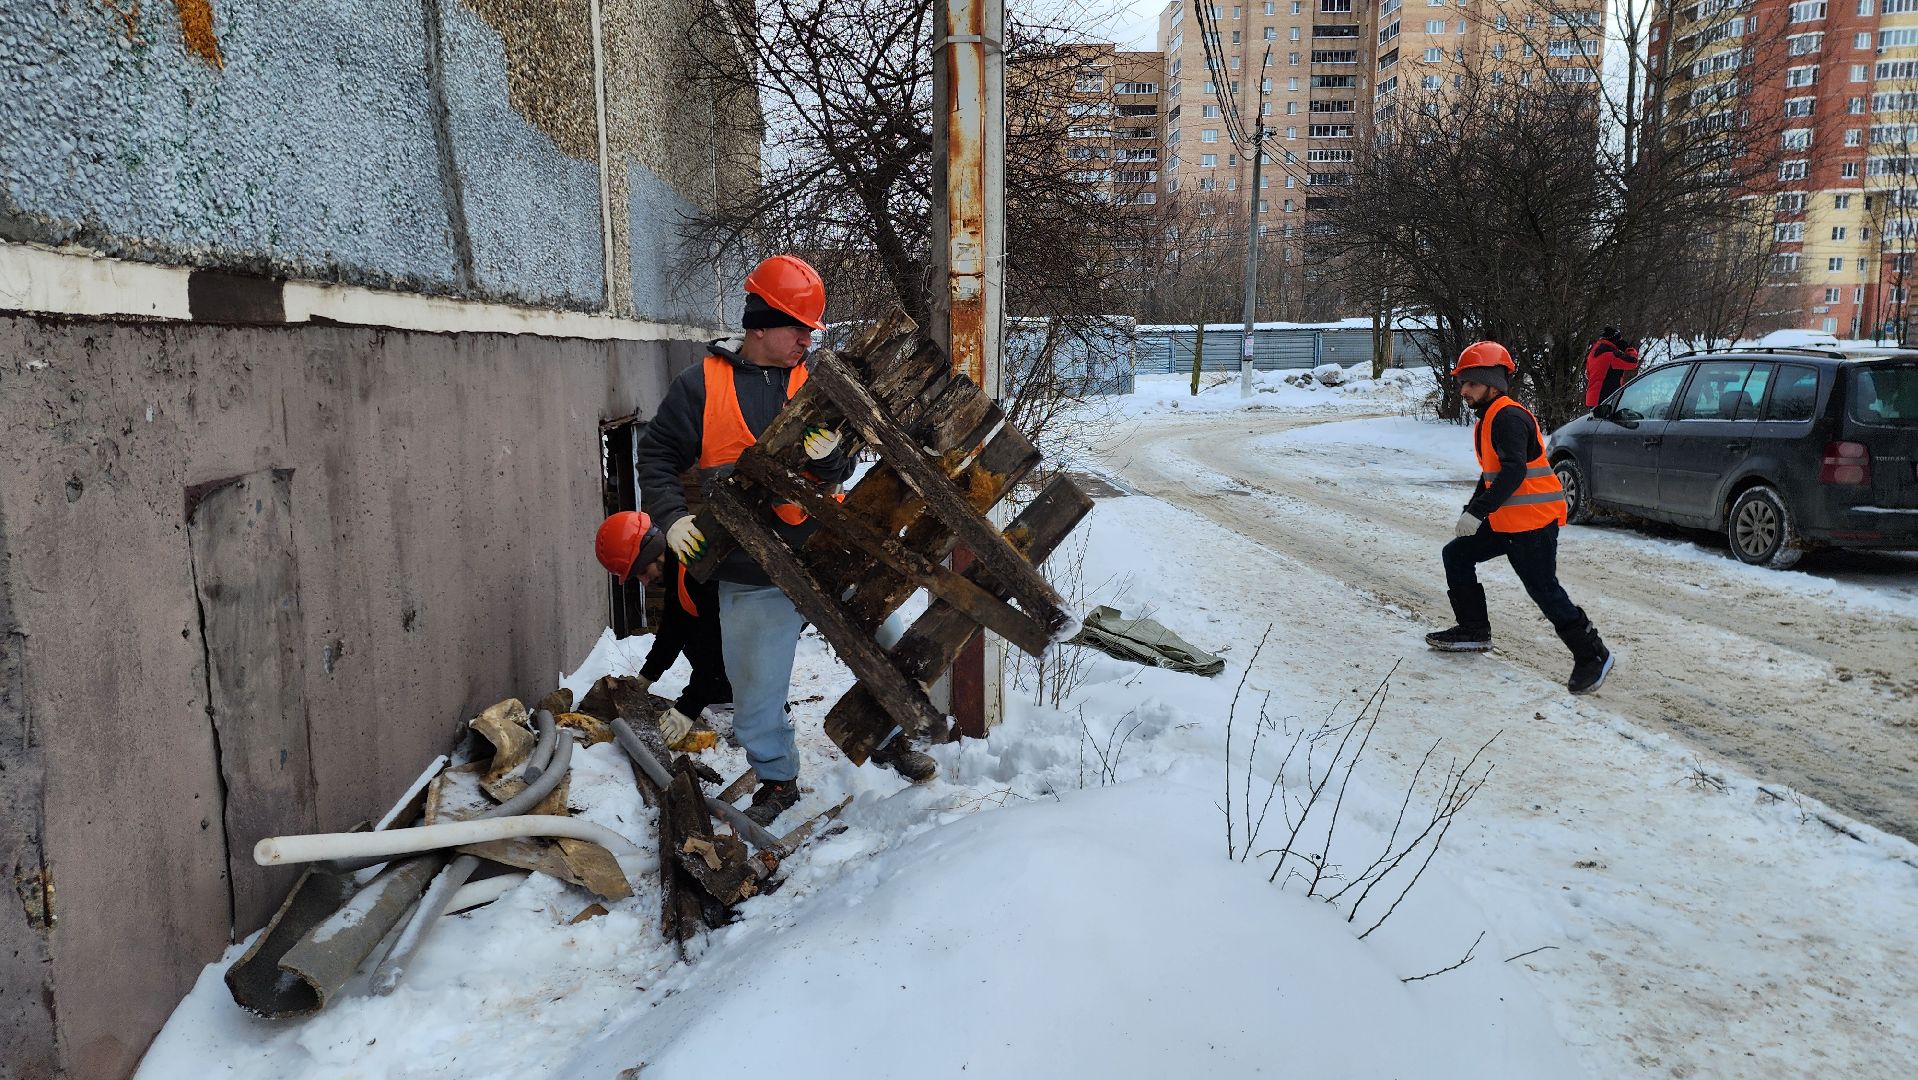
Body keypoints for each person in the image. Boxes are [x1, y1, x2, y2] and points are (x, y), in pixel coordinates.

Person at [633, 255, 939, 827]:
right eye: (798, 327)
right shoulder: (700, 385)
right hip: (749, 567)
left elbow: (845, 465)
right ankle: (777, 778)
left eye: (810, 330)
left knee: (891, 644)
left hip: (828, 551)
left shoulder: (816, 382)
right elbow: (656, 456)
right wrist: (671, 518)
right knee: (753, 697)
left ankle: (890, 737)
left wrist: (832, 460)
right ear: (760, 325)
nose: (807, 339)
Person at [1426, 341, 1616, 695]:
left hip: (1533, 523)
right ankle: (1473, 630)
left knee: (1544, 590)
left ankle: (1593, 654)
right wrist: (1473, 509)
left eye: (1470, 383)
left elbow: (1513, 472)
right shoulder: (1490, 417)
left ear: (1491, 383)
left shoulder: (1508, 418)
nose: (1463, 390)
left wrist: (1478, 511)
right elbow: (1493, 476)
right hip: (1508, 521)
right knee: (1457, 554)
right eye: (1463, 383)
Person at [594, 510, 732, 752]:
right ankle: (724, 693)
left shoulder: (700, 572)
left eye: (642, 572)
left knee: (706, 641)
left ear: (654, 554)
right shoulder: (679, 569)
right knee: (692, 635)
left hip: (766, 627)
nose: (645, 582)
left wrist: (688, 708)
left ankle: (767, 709)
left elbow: (718, 647)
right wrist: (647, 676)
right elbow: (673, 629)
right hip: (738, 630)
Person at [1583, 327, 1640, 408]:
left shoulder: (1593, 353)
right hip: (1605, 399)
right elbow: (1633, 362)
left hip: (1592, 398)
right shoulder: (1611, 355)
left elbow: (1588, 374)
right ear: (1615, 341)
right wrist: (1628, 349)